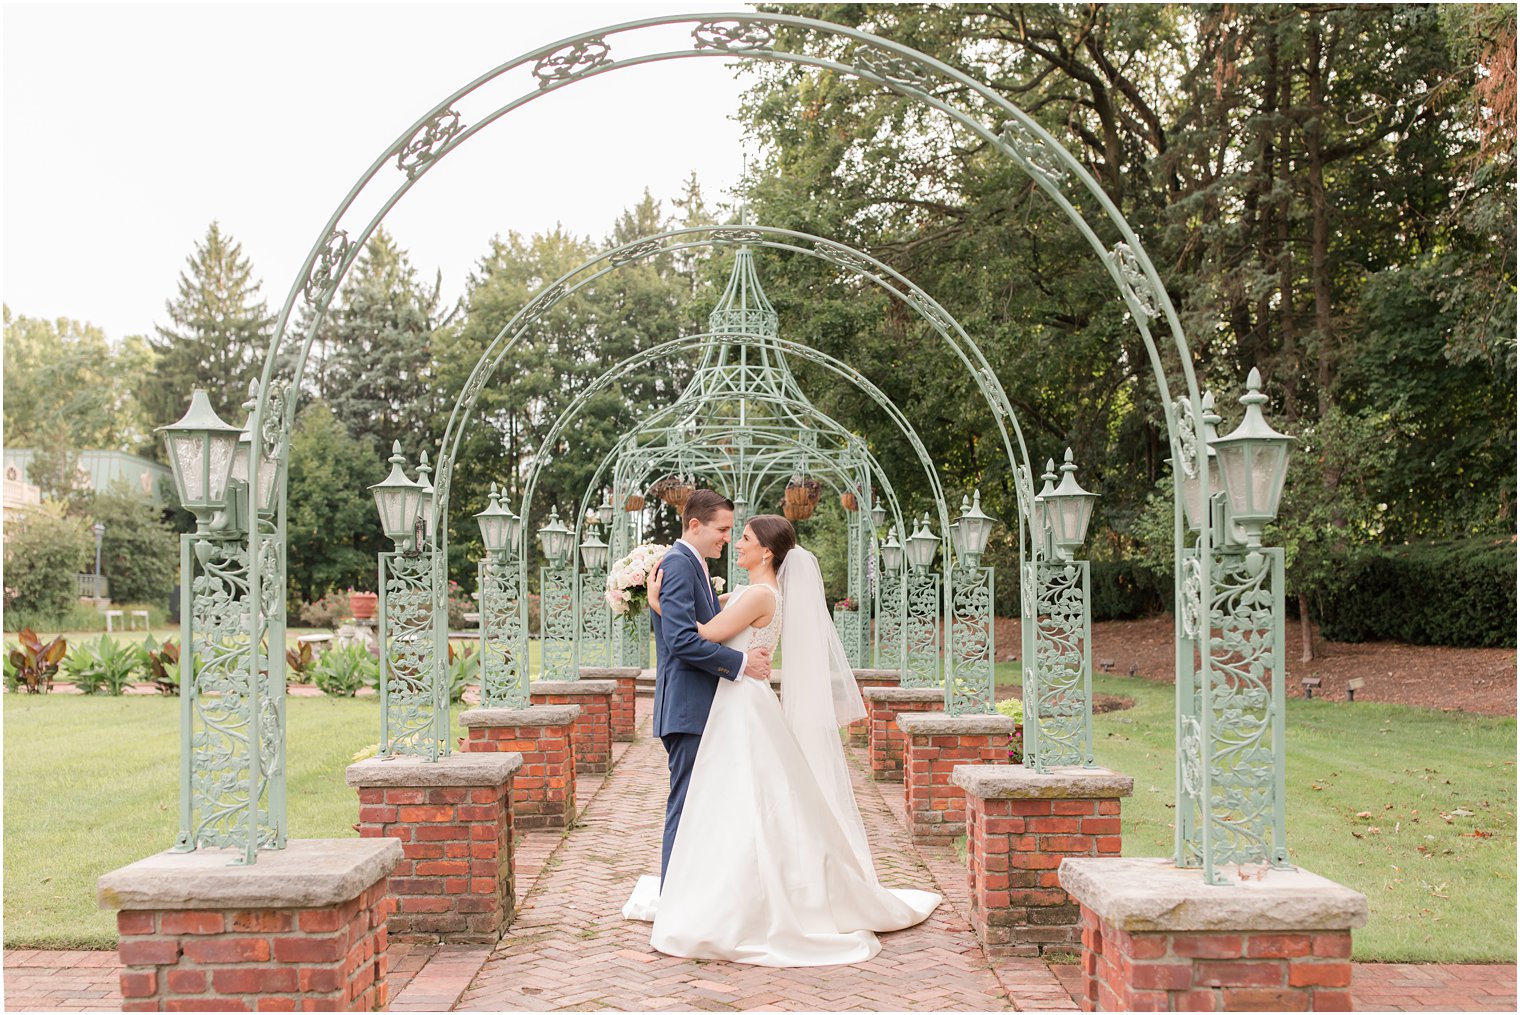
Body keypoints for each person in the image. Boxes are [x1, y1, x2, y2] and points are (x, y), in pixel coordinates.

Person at [622, 513, 941, 967]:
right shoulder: (763, 592)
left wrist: (656, 603)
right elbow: (716, 616)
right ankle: (741, 887)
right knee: (752, 799)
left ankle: (743, 899)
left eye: (746, 539)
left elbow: (702, 632)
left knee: (743, 799)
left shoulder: (757, 593)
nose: (738, 545)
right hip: (742, 699)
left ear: (766, 552)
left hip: (741, 704)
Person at [646, 490, 773, 885]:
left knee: (702, 805)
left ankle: (695, 892)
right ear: (695, 525)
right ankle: (674, 898)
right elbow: (682, 640)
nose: (726, 538)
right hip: (689, 707)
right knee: (686, 806)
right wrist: (741, 663)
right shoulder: (680, 563)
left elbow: (701, 623)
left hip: (701, 705)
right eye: (722, 529)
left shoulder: (694, 564)